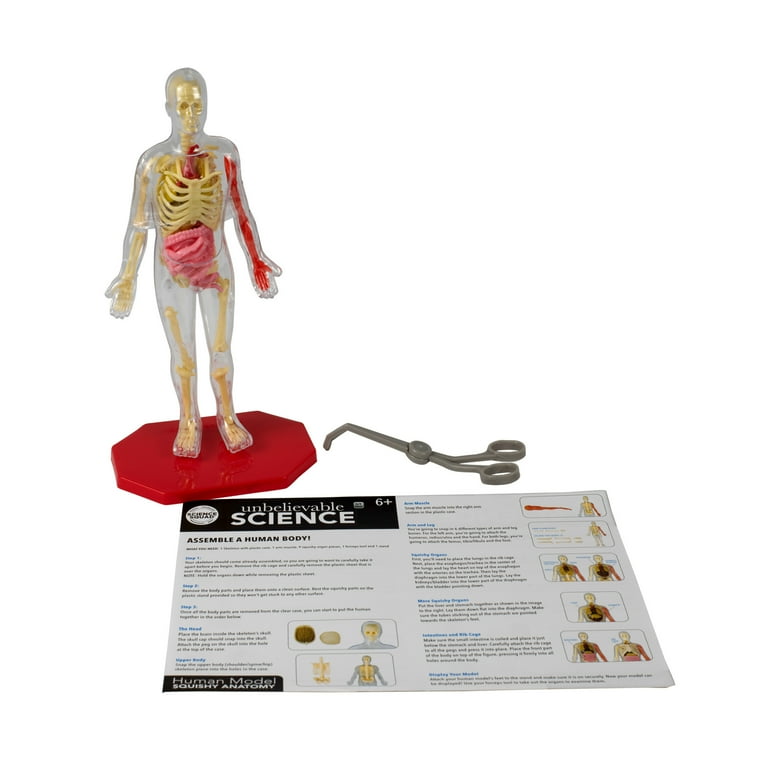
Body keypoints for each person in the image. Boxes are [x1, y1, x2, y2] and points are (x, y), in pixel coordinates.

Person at [107, 68, 281, 458]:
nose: (191, 116)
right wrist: (128, 276)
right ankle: (189, 420)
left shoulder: (224, 154)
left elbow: (241, 208)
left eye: (197, 106)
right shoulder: (153, 163)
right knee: (183, 355)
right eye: (183, 106)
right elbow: (139, 225)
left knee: (221, 349)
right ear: (169, 108)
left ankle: (227, 416)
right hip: (171, 272)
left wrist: (256, 258)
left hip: (217, 266)